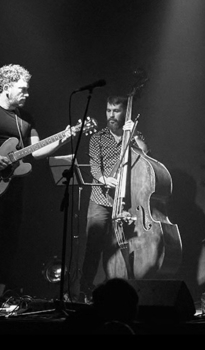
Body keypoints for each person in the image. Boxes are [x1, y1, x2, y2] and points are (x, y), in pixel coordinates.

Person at [0, 64, 76, 306]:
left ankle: (0, 294)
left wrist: (64, 138)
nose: (27, 94)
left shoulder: (26, 119)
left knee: (11, 240)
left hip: (13, 186)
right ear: (6, 87)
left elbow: (37, 151)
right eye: (23, 89)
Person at [79, 95, 149, 302]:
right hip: (100, 199)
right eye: (109, 110)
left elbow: (146, 155)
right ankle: (85, 290)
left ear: (124, 112)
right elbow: (94, 166)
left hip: (127, 201)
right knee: (94, 246)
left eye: (116, 111)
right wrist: (103, 179)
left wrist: (133, 135)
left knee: (119, 247)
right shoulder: (98, 138)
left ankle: (120, 291)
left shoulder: (135, 135)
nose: (111, 115)